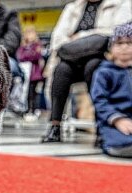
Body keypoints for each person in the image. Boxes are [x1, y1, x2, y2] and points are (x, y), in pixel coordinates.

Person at [42, 0, 132, 143]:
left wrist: (78, 37)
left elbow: (117, 34)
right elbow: (58, 41)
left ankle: (101, 126)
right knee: (61, 69)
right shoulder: (72, 8)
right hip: (73, 60)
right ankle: (55, 126)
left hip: (101, 58)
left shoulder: (120, 4)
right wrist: (93, 37)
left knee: (94, 66)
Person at [90, 22, 132, 158]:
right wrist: (117, 119)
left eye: (129, 43)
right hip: (113, 121)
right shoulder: (104, 72)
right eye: (119, 43)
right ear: (111, 48)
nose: (124, 47)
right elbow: (99, 100)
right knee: (119, 143)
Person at [16, 26, 44, 120]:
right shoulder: (23, 46)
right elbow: (20, 56)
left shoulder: (37, 45)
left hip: (35, 75)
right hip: (25, 74)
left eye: (31, 33)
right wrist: (29, 54)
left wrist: (28, 55)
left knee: (34, 94)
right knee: (26, 93)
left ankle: (34, 110)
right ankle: (26, 110)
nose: (29, 35)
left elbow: (36, 55)